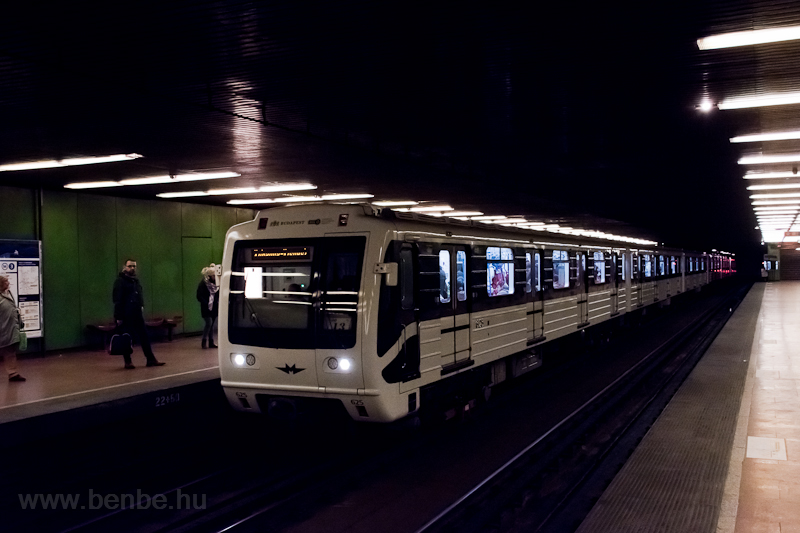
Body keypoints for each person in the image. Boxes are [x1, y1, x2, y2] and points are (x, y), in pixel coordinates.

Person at [112, 259, 165, 369]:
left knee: (144, 336)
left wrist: (141, 305)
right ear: (124, 267)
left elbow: (139, 295)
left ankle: (150, 359)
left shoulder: (135, 281)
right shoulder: (120, 281)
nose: (132, 268)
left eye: (134, 266)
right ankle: (128, 361)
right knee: (127, 337)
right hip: (126, 314)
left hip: (137, 313)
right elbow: (117, 300)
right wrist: (119, 316)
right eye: (130, 266)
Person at [0, 275, 26, 382]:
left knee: (10, 351)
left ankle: (13, 373)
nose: (8, 283)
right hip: (2, 327)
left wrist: (20, 322)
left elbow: (14, 309)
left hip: (10, 328)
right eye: (6, 281)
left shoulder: (8, 293)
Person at [196, 266, 219, 348]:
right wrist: (205, 302)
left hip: (214, 307)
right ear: (209, 276)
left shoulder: (216, 284)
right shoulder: (203, 284)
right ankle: (204, 341)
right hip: (206, 307)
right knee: (209, 323)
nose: (214, 277)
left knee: (212, 324)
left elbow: (217, 295)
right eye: (213, 276)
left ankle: (211, 342)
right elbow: (199, 296)